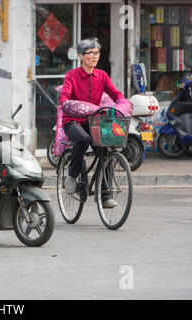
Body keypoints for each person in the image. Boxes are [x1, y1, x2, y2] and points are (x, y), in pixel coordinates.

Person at [59, 38, 125, 208]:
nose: (95, 56)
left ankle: (105, 195)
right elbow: (64, 96)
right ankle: (72, 175)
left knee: (107, 149)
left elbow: (115, 93)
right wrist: (67, 103)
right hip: (72, 119)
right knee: (82, 139)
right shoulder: (71, 76)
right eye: (91, 53)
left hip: (92, 120)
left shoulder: (102, 75)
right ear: (81, 56)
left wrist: (123, 103)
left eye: (97, 53)